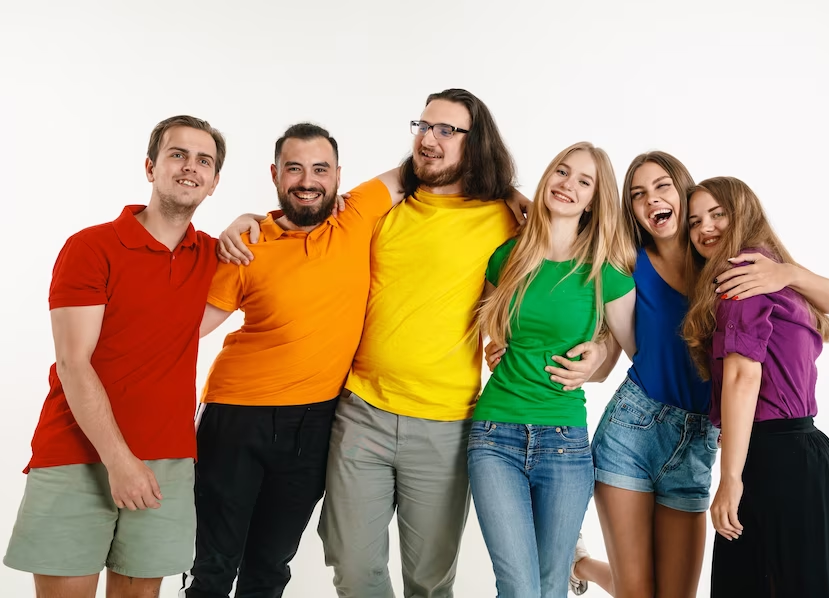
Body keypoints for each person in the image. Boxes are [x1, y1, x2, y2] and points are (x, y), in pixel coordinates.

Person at [217, 89, 606, 597]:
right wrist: (246, 220)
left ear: (475, 141)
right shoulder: (380, 208)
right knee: (354, 569)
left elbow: (581, 268)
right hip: (362, 413)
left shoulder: (506, 218)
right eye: (423, 127)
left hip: (447, 424)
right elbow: (304, 215)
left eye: (446, 130)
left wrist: (600, 349)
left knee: (429, 580)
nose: (429, 138)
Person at [563, 152, 829, 597]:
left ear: (681, 191)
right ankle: (581, 563)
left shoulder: (725, 267)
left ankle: (581, 564)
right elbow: (610, 337)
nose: (651, 199)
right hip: (632, 429)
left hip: (697, 438)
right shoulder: (626, 260)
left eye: (662, 186)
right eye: (638, 193)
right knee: (638, 590)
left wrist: (787, 271)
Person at [4, 115, 226, 598]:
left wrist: (249, 222)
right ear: (150, 167)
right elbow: (73, 362)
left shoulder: (213, 257)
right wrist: (119, 460)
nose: (191, 167)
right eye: (178, 154)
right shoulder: (92, 248)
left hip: (167, 458)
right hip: (77, 453)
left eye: (203, 160)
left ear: (213, 183)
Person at [181, 123, 404, 597]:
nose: (308, 180)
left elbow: (427, 165)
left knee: (271, 565)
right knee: (213, 563)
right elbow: (187, 332)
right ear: (275, 175)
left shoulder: (357, 217)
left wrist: (512, 195)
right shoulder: (248, 244)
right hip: (234, 418)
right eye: (295, 168)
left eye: (320, 169)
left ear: (339, 176)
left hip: (316, 422)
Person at [469, 142, 635, 598]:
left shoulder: (607, 273)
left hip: (564, 443)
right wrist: (493, 347)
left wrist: (601, 355)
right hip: (494, 436)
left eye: (584, 181)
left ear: (594, 201)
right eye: (562, 172)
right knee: (519, 588)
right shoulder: (508, 256)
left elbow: (634, 353)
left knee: (548, 586)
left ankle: (578, 568)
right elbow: (489, 328)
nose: (568, 184)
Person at [681, 176, 829, 598]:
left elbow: (744, 377)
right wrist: (789, 272)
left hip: (772, 461)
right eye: (695, 221)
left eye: (717, 214)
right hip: (810, 456)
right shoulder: (773, 273)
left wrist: (730, 478)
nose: (705, 227)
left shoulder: (745, 275)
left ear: (743, 213)